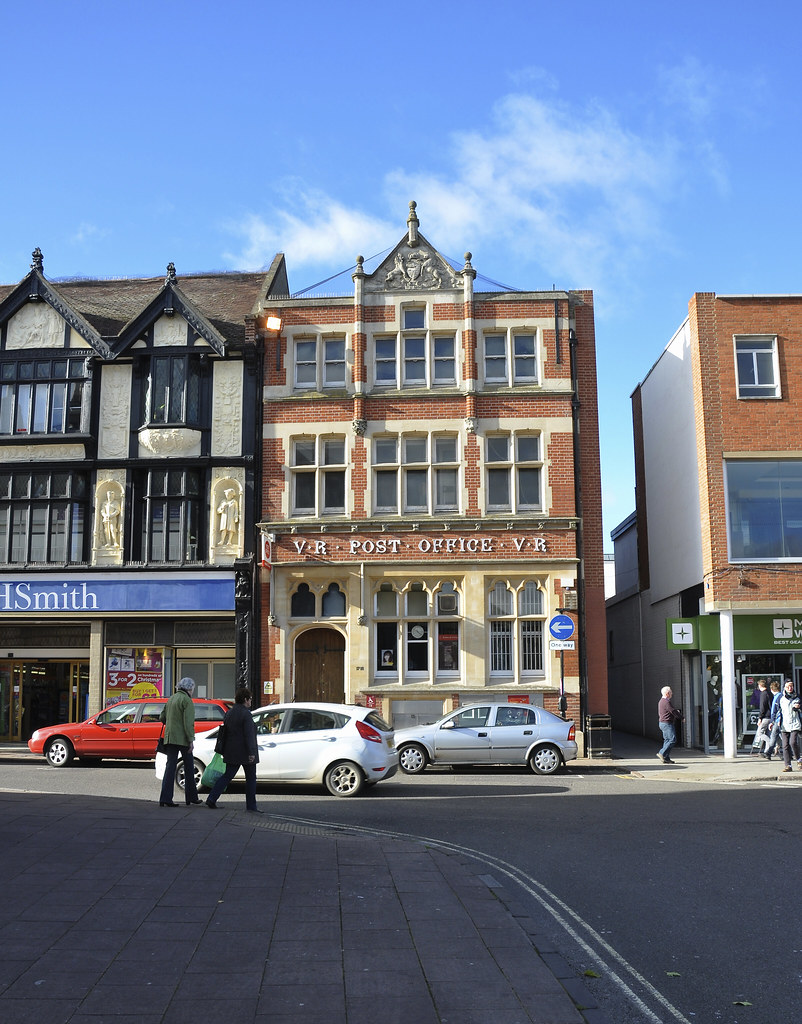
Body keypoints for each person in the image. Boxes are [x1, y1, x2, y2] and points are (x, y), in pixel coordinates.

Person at [205, 688, 261, 812]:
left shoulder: (229, 713)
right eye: (250, 699)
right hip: (246, 752)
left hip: (231, 751)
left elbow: (225, 732)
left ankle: (212, 798)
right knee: (251, 779)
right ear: (245, 700)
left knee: (227, 776)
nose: (251, 701)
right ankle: (251, 806)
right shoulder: (246, 714)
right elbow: (249, 735)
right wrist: (251, 752)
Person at [158, 677, 202, 807]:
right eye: (192, 688)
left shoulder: (172, 698)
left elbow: (162, 717)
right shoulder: (187, 700)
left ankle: (165, 798)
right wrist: (190, 740)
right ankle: (191, 797)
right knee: (189, 766)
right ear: (189, 688)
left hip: (170, 738)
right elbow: (188, 723)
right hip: (182, 739)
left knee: (170, 767)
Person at [778, 679, 802, 773]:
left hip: (795, 723)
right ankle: (788, 765)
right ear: (784, 687)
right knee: (785, 745)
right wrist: (772, 721)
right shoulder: (780, 697)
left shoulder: (797, 696)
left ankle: (799, 760)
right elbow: (776, 709)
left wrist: (798, 707)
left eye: (791, 686)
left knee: (792, 742)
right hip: (784, 724)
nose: (790, 688)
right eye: (788, 686)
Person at [657, 685, 682, 764]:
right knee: (672, 740)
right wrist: (682, 717)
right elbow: (673, 711)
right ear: (667, 693)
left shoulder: (661, 701)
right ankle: (662, 753)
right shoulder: (666, 702)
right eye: (671, 692)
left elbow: (669, 711)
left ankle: (666, 758)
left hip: (663, 723)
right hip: (667, 723)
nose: (672, 693)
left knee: (667, 740)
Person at [752, 679, 772, 756]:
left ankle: (771, 743)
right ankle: (767, 752)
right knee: (767, 733)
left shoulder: (763, 694)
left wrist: (760, 718)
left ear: (760, 686)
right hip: (770, 716)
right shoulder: (769, 693)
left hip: (765, 717)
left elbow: (762, 707)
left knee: (760, 733)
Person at [765, 680, 783, 760]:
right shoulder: (782, 696)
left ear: (772, 689)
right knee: (782, 737)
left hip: (777, 720)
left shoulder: (776, 697)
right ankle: (788, 753)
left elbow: (773, 711)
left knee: (773, 736)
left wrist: (772, 721)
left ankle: (769, 752)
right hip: (782, 720)